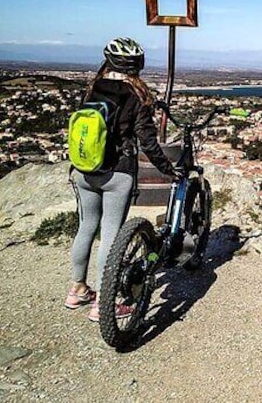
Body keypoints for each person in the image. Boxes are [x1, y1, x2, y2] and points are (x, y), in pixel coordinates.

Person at [65, 37, 178, 322]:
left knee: (86, 227)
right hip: (117, 173)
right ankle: (104, 303)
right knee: (111, 237)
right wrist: (168, 169)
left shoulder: (92, 88)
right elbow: (149, 144)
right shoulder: (137, 96)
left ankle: (77, 290)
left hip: (83, 170)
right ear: (137, 65)